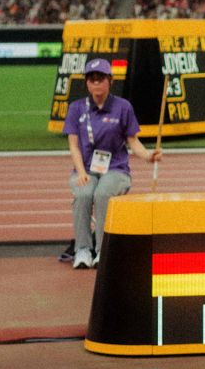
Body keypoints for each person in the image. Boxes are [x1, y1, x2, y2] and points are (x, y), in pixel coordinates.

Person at [66, 57, 159, 269]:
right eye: (92, 79)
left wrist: (148, 156)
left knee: (102, 194)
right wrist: (81, 172)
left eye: (101, 78)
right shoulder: (77, 108)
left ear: (110, 80)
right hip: (86, 169)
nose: (96, 83)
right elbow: (74, 145)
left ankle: (102, 250)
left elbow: (132, 140)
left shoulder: (123, 107)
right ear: (86, 82)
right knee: (83, 194)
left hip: (116, 169)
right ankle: (82, 249)